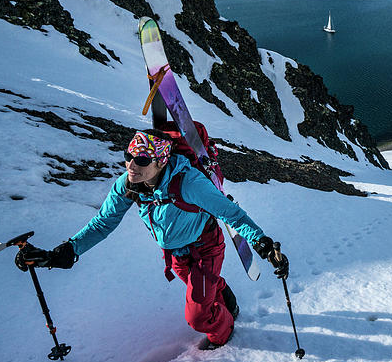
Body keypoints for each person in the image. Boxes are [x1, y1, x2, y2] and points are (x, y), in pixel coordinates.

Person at [15, 129, 288, 350]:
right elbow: (102, 223)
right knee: (204, 290)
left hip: (206, 248)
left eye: (142, 160)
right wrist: (65, 252)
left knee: (198, 317)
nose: (131, 166)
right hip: (176, 256)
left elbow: (232, 214)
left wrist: (263, 244)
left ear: (161, 162)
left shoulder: (189, 183)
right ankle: (223, 295)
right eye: (129, 156)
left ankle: (224, 333)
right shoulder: (128, 183)